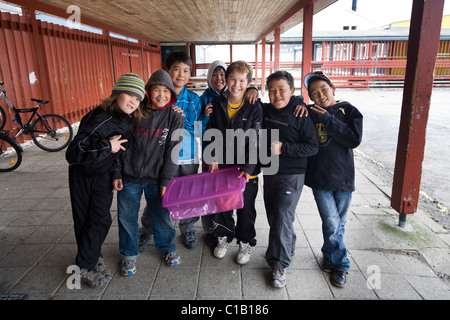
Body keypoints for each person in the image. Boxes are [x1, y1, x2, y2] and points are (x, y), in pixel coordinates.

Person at [66, 73, 145, 287]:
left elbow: (120, 151)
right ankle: (85, 265)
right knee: (86, 220)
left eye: (138, 99)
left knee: (100, 220)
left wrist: (116, 173)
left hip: (103, 175)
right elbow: (74, 153)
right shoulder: (101, 117)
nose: (133, 101)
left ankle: (90, 258)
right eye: (129, 94)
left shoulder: (127, 119)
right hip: (83, 175)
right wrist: (107, 147)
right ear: (117, 93)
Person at [113, 69, 184, 276]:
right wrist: (117, 172)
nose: (161, 95)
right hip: (129, 177)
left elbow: (173, 151)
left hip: (157, 179)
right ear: (148, 91)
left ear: (172, 94)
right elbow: (120, 143)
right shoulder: (134, 112)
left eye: (166, 91)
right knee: (126, 218)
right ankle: (128, 255)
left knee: (162, 216)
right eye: (156, 90)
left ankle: (167, 248)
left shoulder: (174, 117)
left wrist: (166, 180)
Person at [303, 71, 363, 287]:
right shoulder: (309, 112)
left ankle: (330, 257)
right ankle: (341, 265)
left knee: (339, 224)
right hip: (320, 179)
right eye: (314, 93)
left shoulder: (348, 110)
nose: (320, 96)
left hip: (344, 179)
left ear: (333, 88)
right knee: (331, 222)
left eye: (324, 90)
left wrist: (327, 118)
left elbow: (353, 139)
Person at [139, 51, 203, 250]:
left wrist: (183, 120)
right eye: (177, 69)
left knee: (189, 195)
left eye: (186, 70)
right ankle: (147, 230)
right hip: (161, 157)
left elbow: (199, 129)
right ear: (167, 70)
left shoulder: (193, 99)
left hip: (188, 156)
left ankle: (188, 229)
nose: (181, 75)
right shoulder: (156, 97)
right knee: (158, 195)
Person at [262, 71, 319, 288]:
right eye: (272, 90)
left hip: (292, 175)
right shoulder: (266, 110)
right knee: (275, 216)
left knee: (282, 216)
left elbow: (312, 146)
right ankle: (288, 243)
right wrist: (249, 89)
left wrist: (284, 148)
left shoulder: (300, 114)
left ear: (292, 91)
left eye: (282, 90)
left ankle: (278, 264)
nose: (277, 95)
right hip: (270, 172)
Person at [205, 60, 263, 265]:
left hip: (248, 170)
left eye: (241, 80)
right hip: (224, 166)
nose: (236, 84)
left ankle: (245, 241)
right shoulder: (218, 103)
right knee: (223, 204)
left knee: (246, 208)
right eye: (232, 79)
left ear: (248, 83)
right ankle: (223, 237)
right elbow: (210, 134)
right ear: (226, 80)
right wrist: (211, 157)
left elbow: (257, 139)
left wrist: (248, 168)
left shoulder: (254, 105)